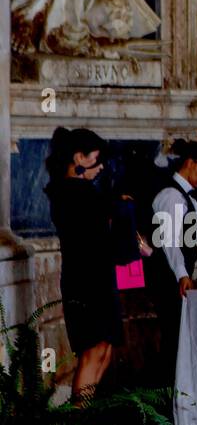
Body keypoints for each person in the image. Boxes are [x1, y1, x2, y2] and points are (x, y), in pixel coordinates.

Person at [46, 126, 134, 396]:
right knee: (93, 351)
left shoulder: (83, 192)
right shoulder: (68, 192)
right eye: (96, 159)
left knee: (104, 350)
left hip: (98, 278)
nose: (101, 166)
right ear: (78, 158)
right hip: (85, 282)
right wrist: (119, 206)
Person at [151, 140, 197, 298]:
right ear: (189, 163)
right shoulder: (172, 195)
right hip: (167, 280)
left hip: (178, 277)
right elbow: (169, 239)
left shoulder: (188, 196)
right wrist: (182, 274)